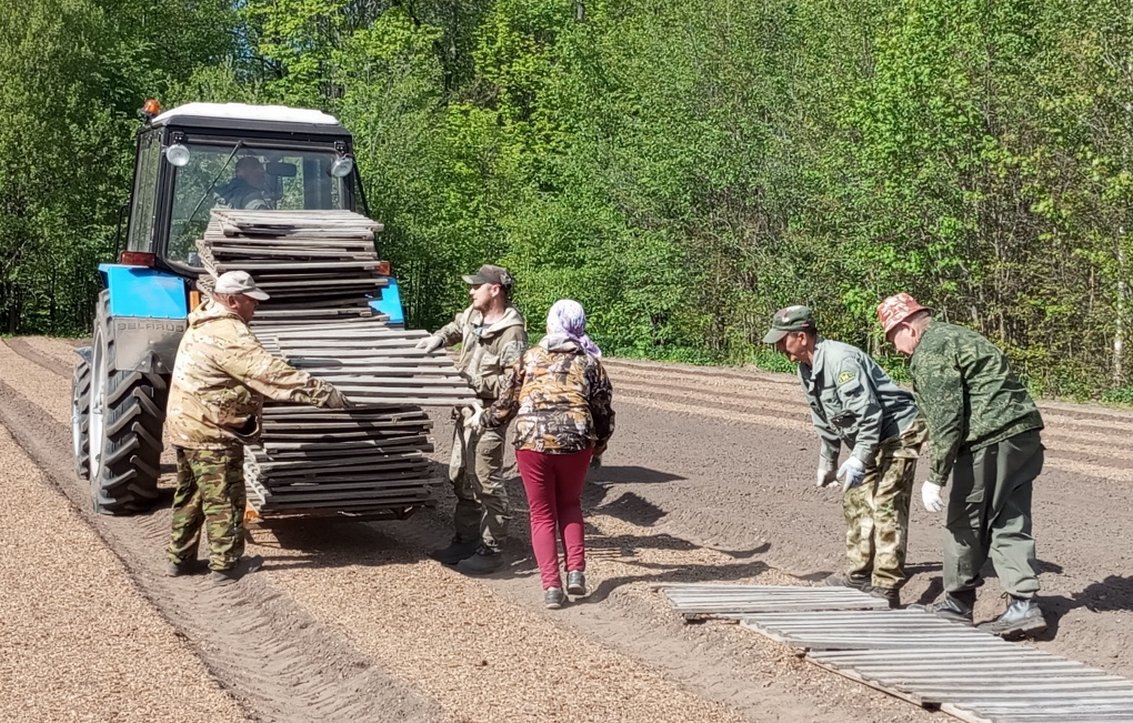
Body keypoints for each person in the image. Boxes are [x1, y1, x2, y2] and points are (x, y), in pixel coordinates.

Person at [877, 292, 1047, 637]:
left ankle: (957, 603)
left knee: (964, 521)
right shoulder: (960, 334)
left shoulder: (931, 351)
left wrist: (935, 477)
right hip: (1023, 434)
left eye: (893, 337)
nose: (895, 348)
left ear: (907, 326)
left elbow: (947, 419)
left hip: (990, 440)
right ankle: (1023, 604)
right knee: (1009, 517)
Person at [165, 270, 349, 585]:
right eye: (251, 301)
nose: (256, 307)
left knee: (191, 494)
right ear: (233, 300)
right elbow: (268, 373)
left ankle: (179, 558)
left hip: (186, 425)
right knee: (226, 498)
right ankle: (226, 564)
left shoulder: (204, 320)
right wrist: (323, 393)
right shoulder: (227, 332)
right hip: (211, 431)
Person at [763, 305, 926, 608]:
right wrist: (828, 460)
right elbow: (823, 417)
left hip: (898, 430)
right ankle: (859, 575)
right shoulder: (805, 366)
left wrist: (860, 459)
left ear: (801, 336)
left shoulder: (840, 361)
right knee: (856, 499)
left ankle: (887, 584)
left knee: (887, 502)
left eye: (782, 340)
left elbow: (869, 414)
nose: (778, 348)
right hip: (870, 434)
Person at [479, 299, 615, 609]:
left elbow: (505, 406)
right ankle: (577, 572)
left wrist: (483, 418)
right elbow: (603, 411)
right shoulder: (591, 363)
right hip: (576, 440)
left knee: (541, 514)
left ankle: (552, 588)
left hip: (531, 440)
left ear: (551, 323)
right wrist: (599, 446)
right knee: (570, 504)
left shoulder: (529, 358)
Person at [415, 264, 528, 573]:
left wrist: (480, 396)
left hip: (489, 414)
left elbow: (513, 385)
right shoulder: (473, 315)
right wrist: (438, 339)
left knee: (487, 482)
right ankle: (465, 540)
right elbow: (456, 327)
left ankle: (492, 549)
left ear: (495, 290)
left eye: (476, 286)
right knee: (461, 477)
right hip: (464, 411)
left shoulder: (511, 332)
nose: (471, 291)